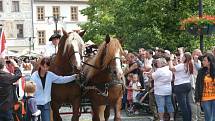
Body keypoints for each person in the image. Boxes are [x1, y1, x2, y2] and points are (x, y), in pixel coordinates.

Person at [169, 52, 193, 121]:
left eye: (183, 57)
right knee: (187, 104)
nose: (181, 58)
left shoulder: (182, 65)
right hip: (187, 84)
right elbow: (178, 69)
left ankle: (186, 119)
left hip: (180, 86)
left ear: (185, 58)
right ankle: (189, 119)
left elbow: (171, 68)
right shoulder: (189, 64)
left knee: (183, 106)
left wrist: (170, 59)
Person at [195, 53, 215, 121]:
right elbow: (197, 85)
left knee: (213, 118)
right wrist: (197, 99)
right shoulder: (201, 71)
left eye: (204, 60)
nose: (202, 62)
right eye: (202, 60)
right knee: (208, 118)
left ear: (209, 62)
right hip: (205, 98)